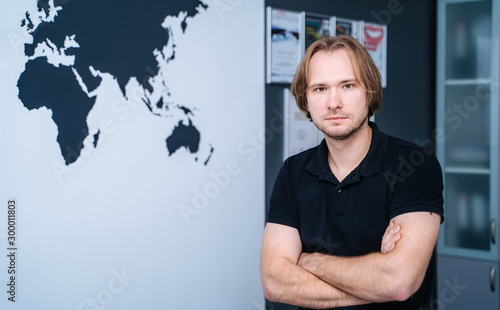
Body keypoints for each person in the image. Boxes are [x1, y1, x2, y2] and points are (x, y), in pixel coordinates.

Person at [260, 35, 444, 309]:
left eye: (347, 85)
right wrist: (373, 280)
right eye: (320, 89)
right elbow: (274, 283)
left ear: (369, 91)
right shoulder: (292, 172)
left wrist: (310, 260)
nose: (334, 103)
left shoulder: (415, 164)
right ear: (306, 100)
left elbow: (399, 282)